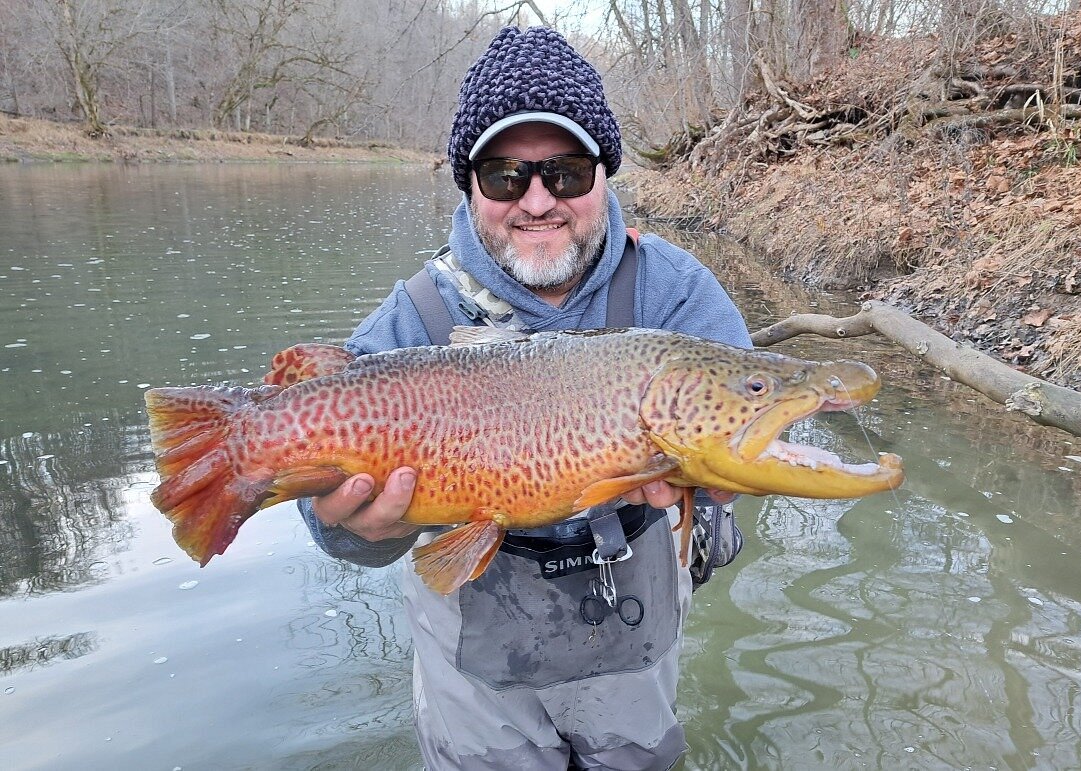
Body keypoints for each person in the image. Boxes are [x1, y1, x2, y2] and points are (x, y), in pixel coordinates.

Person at [299, 25, 752, 770]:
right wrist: (360, 529)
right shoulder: (415, 319)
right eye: (507, 176)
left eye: (567, 173)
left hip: (629, 628)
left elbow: (745, 435)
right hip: (473, 662)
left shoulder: (675, 295)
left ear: (605, 175)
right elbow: (328, 528)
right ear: (469, 184)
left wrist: (711, 492)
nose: (538, 200)